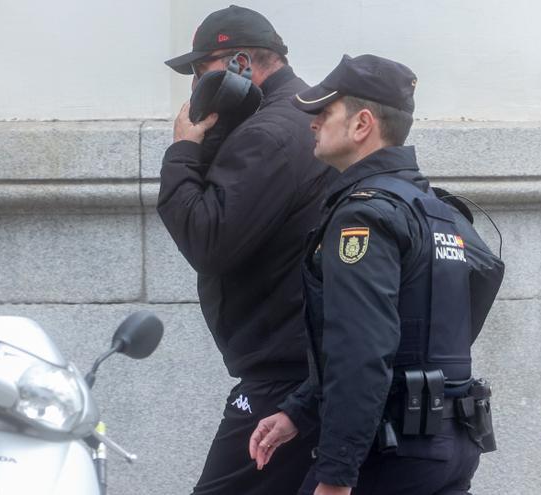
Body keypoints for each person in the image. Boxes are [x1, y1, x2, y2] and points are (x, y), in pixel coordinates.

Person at [247, 54, 502, 495]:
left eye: (324, 112)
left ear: (362, 124)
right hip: (451, 444)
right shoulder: (434, 209)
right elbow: (434, 323)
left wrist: (336, 474)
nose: (313, 123)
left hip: (391, 455)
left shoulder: (364, 217)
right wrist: (300, 411)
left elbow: (361, 349)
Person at [158, 5, 334, 494]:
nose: (194, 84)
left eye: (200, 69)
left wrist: (185, 149)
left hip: (283, 377)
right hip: (306, 366)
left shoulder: (266, 133)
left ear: (241, 63)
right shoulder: (302, 117)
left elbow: (207, 241)